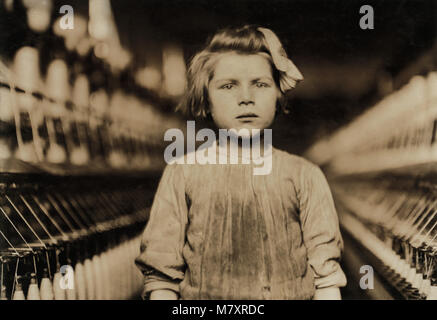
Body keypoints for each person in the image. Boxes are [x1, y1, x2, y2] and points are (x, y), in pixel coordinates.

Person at [135, 25, 347, 300]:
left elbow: (326, 281)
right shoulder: (182, 173)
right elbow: (162, 281)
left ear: (277, 96)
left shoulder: (305, 175)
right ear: (206, 99)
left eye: (260, 84)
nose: (246, 98)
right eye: (228, 85)